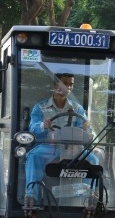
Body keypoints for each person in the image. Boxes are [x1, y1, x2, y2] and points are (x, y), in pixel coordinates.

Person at [25, 72, 98, 204]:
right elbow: (33, 129)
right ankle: (32, 198)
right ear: (55, 84)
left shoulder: (77, 108)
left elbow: (88, 133)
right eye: (65, 83)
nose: (68, 87)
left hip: (74, 149)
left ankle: (89, 198)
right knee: (33, 157)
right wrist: (43, 125)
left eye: (71, 84)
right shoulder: (40, 108)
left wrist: (86, 129)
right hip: (49, 147)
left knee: (93, 159)